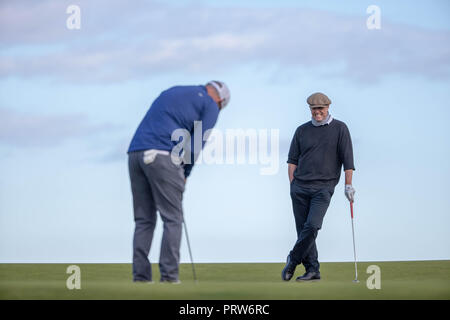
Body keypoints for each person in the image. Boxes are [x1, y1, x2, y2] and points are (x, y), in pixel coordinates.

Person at [127, 81, 230, 283]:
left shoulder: (174, 90)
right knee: (173, 218)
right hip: (163, 154)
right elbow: (196, 144)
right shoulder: (210, 104)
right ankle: (169, 277)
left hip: (135, 154)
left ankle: (140, 278)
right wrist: (185, 172)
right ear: (220, 100)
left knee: (144, 220)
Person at [282, 92, 355, 282]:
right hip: (299, 187)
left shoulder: (340, 129)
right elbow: (292, 161)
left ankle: (292, 260)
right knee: (303, 230)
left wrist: (348, 185)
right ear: (310, 109)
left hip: (323, 187)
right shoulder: (301, 131)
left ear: (327, 108)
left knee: (312, 226)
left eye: (320, 109)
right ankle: (312, 270)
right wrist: (293, 185)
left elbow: (348, 161)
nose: (317, 112)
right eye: (314, 109)